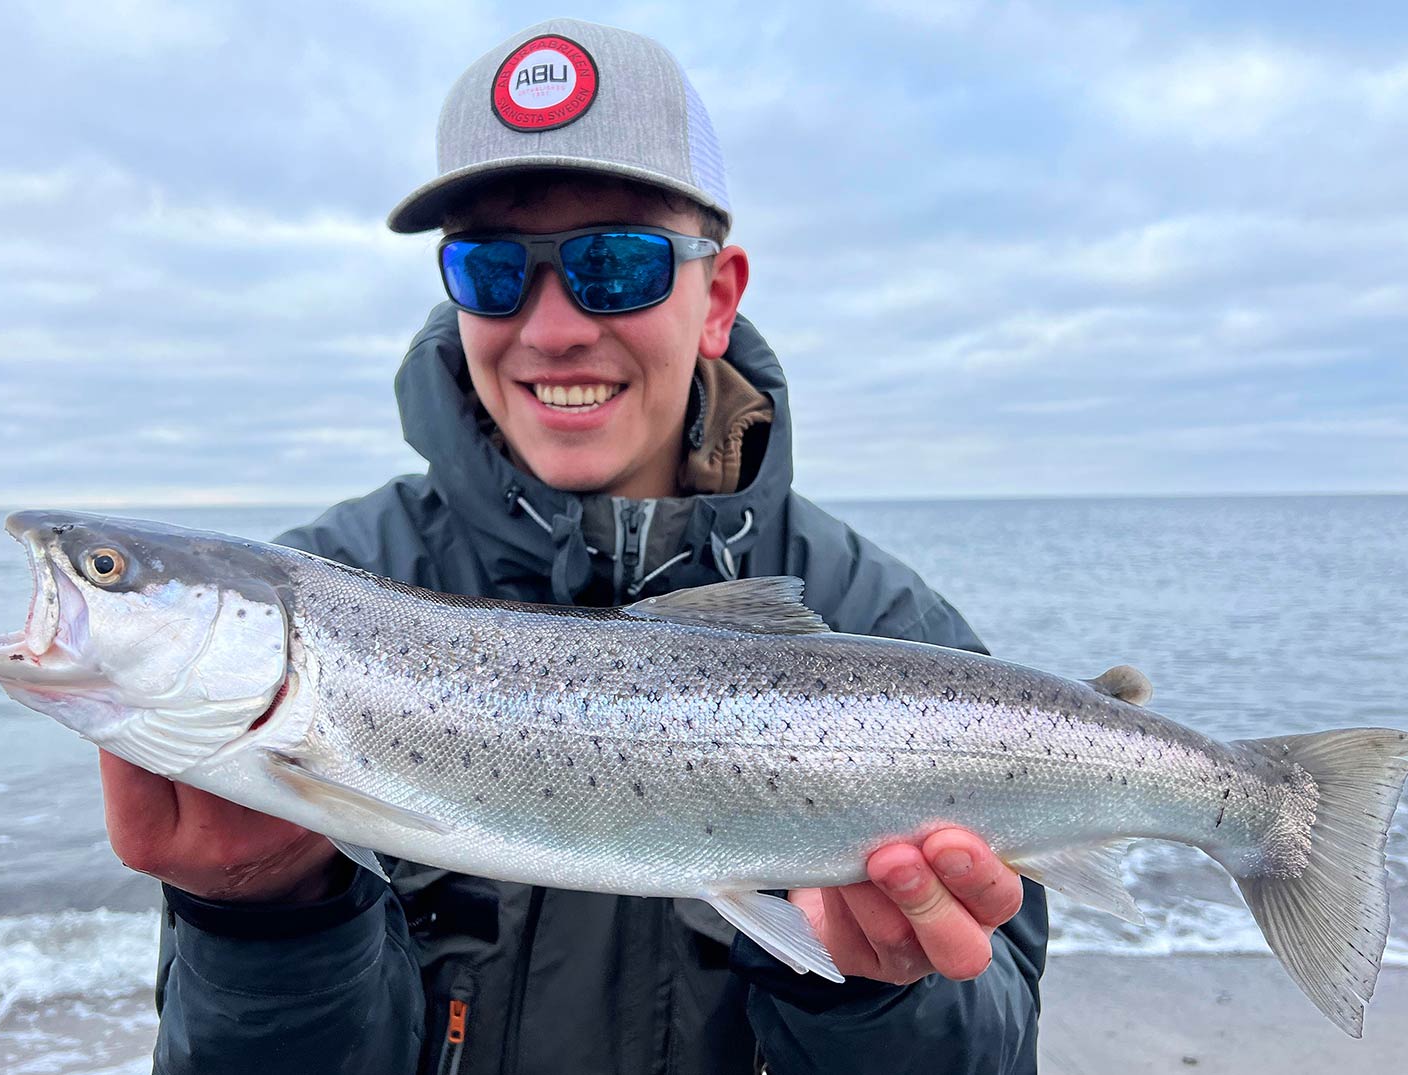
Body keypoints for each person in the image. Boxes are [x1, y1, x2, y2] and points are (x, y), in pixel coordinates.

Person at [103, 19, 1048, 1074]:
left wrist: (877, 1001)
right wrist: (263, 921)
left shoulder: (884, 627)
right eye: (494, 270)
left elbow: (995, 1056)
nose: (551, 328)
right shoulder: (317, 604)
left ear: (718, 297)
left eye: (614, 263)